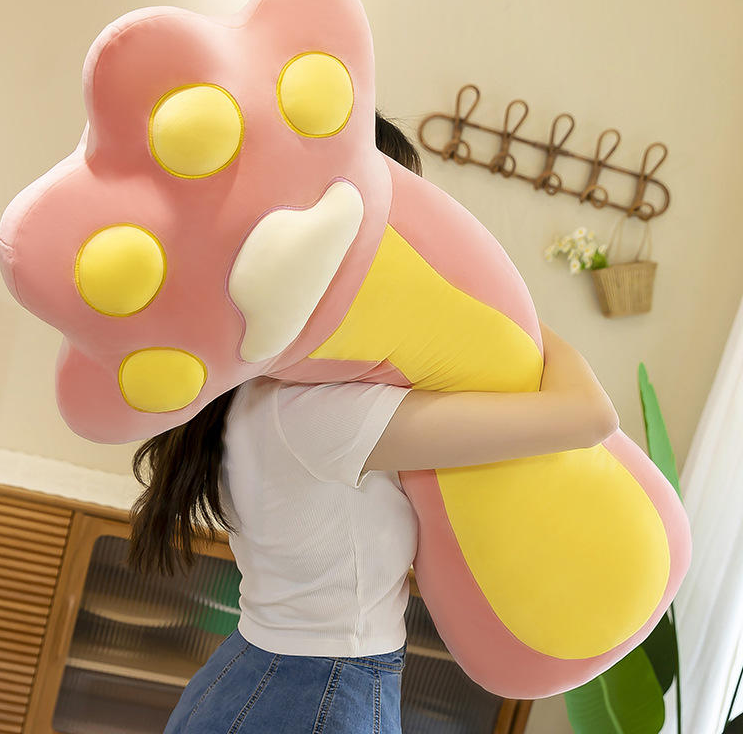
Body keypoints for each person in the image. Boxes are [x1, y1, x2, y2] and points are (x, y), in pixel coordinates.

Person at [127, 113, 619, 734]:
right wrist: (501, 315)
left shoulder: (258, 384)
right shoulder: (326, 412)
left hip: (260, 679)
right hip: (316, 695)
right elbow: (588, 417)